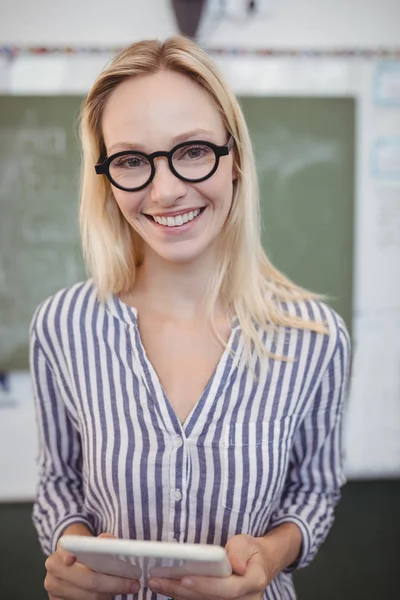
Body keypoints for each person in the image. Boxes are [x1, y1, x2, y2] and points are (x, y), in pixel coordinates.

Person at [30, 35, 350, 600]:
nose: (167, 190)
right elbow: (60, 481)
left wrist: (271, 556)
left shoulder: (315, 339)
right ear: (106, 176)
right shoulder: (63, 326)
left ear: (236, 159)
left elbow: (313, 490)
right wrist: (69, 548)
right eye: (131, 160)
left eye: (194, 150)